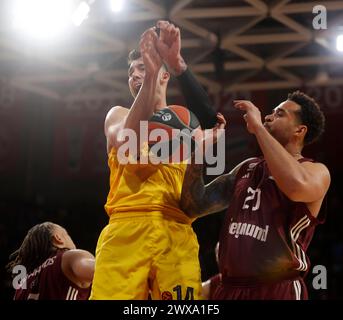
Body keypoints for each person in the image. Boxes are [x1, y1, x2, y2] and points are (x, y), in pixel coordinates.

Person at [89, 25, 223, 300]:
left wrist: (177, 65)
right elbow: (128, 140)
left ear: (165, 75)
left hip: (177, 229)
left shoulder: (188, 129)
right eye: (131, 71)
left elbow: (213, 122)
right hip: (127, 226)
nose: (135, 74)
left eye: (142, 67)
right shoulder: (118, 115)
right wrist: (151, 75)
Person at [180, 90, 331, 299]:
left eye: (279, 114)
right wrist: (198, 152)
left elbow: (296, 187)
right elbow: (194, 205)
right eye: (271, 113)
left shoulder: (315, 171)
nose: (268, 116)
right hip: (228, 287)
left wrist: (258, 128)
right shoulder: (247, 167)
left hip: (276, 289)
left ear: (300, 130)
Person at [6, 222, 95, 300]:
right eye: (67, 234)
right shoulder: (70, 256)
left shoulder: (21, 287)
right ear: (58, 238)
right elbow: (102, 271)